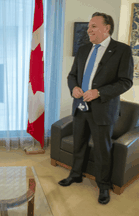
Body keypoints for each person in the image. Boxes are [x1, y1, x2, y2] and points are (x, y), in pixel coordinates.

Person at [58, 12, 133, 205]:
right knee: (79, 144)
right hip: (80, 107)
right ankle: (75, 175)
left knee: (102, 151)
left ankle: (104, 186)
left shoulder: (122, 51)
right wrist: (73, 87)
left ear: (107, 28)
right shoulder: (84, 49)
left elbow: (125, 82)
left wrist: (99, 92)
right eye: (89, 26)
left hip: (103, 110)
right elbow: (72, 75)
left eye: (93, 26)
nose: (89, 29)